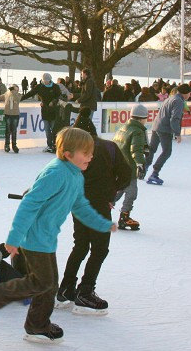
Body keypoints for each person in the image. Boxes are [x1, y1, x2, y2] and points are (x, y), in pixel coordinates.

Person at [0, 128, 119, 343]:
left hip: (46, 237)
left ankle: (35, 324)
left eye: (91, 152)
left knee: (47, 284)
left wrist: (101, 223)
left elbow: (80, 205)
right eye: (85, 153)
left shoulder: (75, 175)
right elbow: (29, 204)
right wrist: (14, 238)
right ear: (68, 154)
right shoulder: (56, 173)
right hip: (33, 238)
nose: (91, 156)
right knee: (42, 283)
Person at [56, 132, 134, 314]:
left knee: (81, 246)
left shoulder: (72, 150)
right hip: (98, 204)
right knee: (99, 248)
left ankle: (66, 288)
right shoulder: (107, 147)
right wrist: (111, 193)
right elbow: (125, 173)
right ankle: (85, 291)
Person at [112, 104, 150, 230]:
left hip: (119, 167)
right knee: (132, 193)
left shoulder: (123, 127)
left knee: (119, 190)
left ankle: (100, 210)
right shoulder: (138, 131)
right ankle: (124, 217)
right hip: (129, 168)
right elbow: (136, 150)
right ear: (141, 119)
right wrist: (140, 164)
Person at [145, 83, 189, 186]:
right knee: (167, 151)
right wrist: (177, 133)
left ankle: (143, 168)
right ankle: (154, 173)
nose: (190, 96)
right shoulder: (178, 101)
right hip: (164, 129)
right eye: (189, 93)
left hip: (157, 125)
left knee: (152, 148)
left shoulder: (170, 98)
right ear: (185, 93)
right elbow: (174, 118)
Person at [21, 73, 66, 153]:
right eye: (44, 80)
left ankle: (55, 145)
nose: (46, 82)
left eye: (47, 80)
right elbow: (30, 93)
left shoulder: (55, 86)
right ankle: (49, 145)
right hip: (45, 110)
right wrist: (20, 99)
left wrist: (53, 102)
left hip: (54, 110)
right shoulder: (39, 87)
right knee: (47, 129)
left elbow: (59, 96)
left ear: (50, 80)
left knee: (54, 129)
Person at [0, 83, 22, 153]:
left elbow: (17, 99)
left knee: (14, 130)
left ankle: (14, 145)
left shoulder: (18, 95)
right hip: (8, 114)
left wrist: (13, 92)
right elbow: (0, 96)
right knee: (8, 130)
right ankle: (6, 145)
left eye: (17, 89)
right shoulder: (7, 94)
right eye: (14, 89)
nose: (16, 91)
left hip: (15, 115)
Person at [72, 68, 98, 135]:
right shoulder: (86, 82)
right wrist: (74, 96)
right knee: (85, 123)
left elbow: (87, 94)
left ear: (85, 74)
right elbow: (84, 94)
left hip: (88, 106)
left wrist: (79, 100)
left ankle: (86, 138)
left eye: (82, 74)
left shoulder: (89, 81)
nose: (81, 75)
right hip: (87, 106)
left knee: (86, 123)